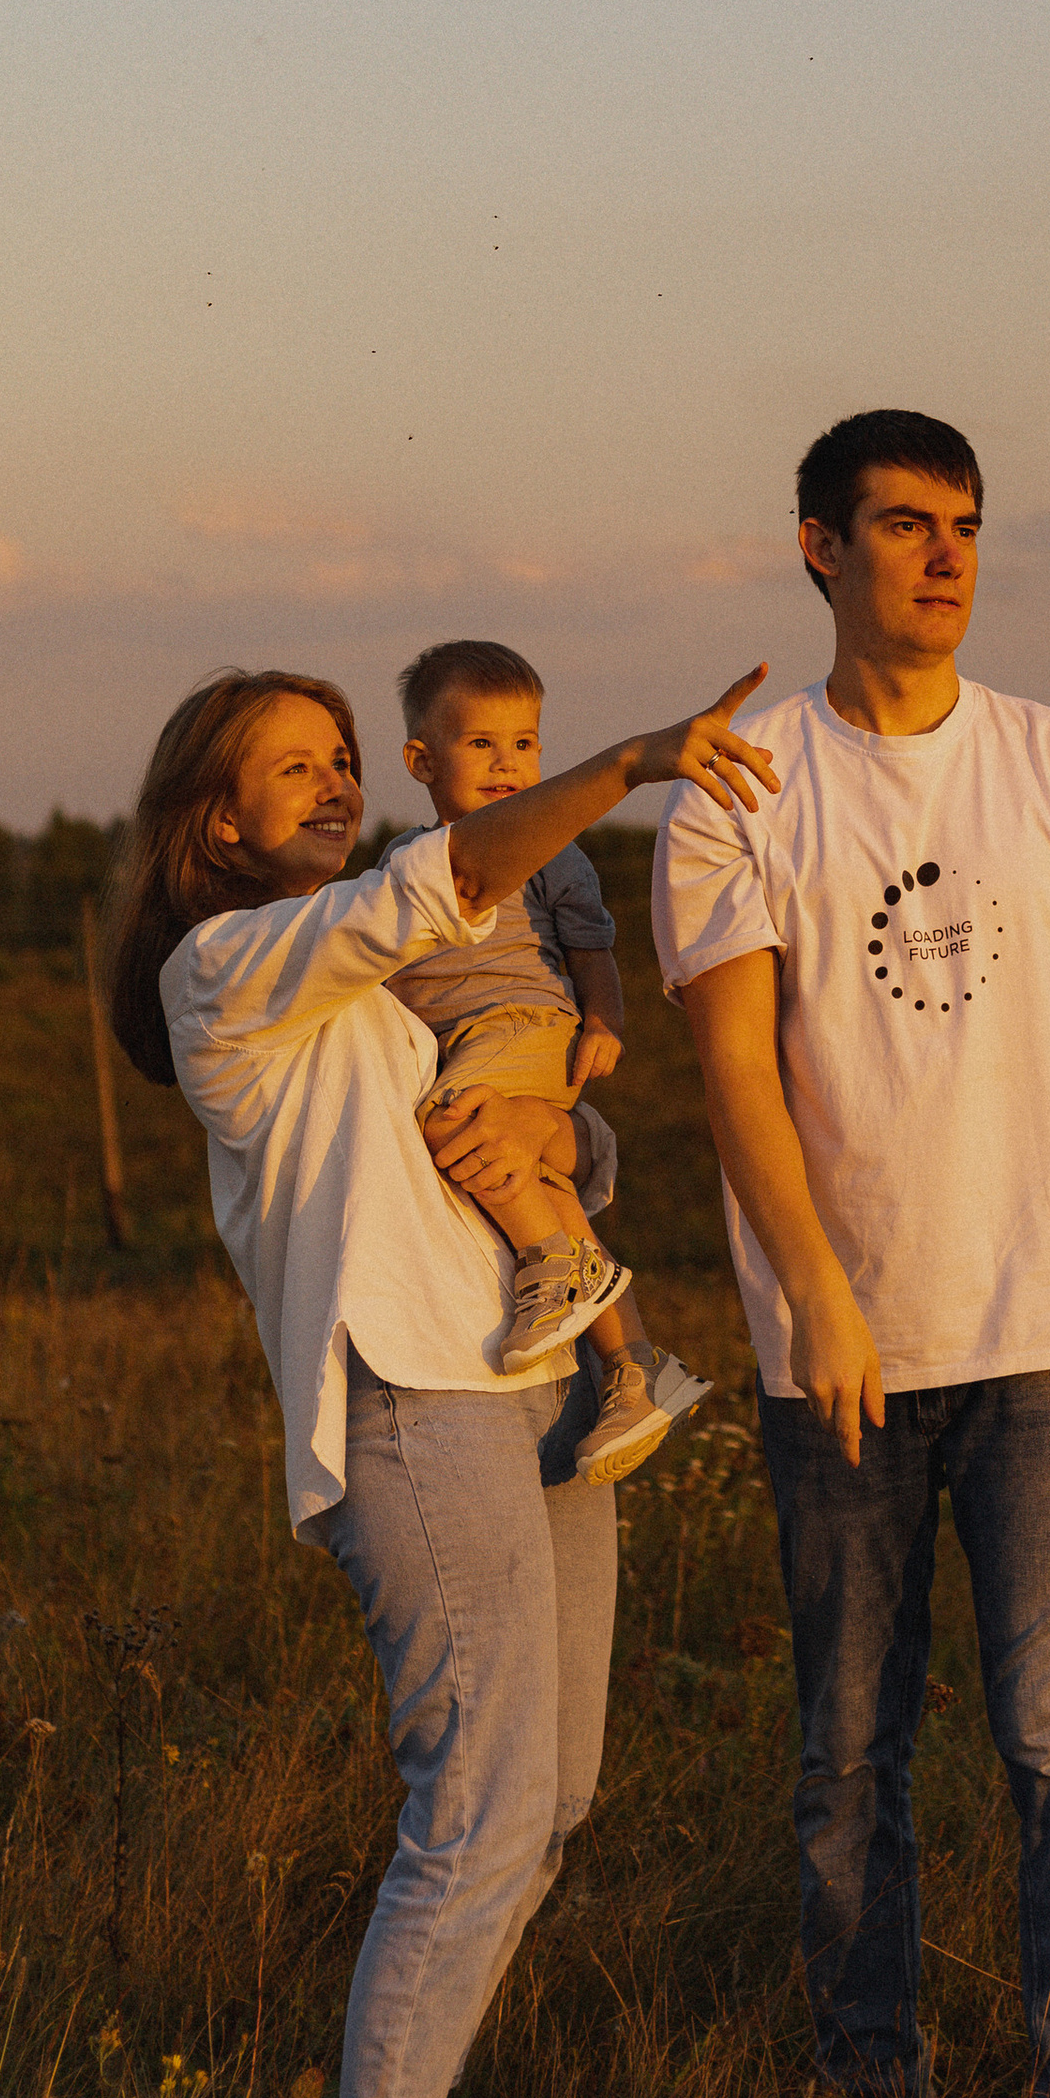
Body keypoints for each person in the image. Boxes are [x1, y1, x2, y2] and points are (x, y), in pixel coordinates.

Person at [104, 654, 775, 2098]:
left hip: (531, 1388)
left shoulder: (385, 990)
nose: (337, 784)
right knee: (475, 1806)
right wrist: (625, 762)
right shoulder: (229, 969)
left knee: (550, 1799)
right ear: (213, 823)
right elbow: (437, 882)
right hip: (408, 1399)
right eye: (293, 770)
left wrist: (563, 1128)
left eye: (344, 759)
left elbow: (530, 1141)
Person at [651, 409, 1050, 2098]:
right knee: (846, 1758)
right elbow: (735, 1072)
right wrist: (816, 1294)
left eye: (966, 523)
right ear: (819, 546)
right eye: (905, 525)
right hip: (842, 1357)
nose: (947, 555)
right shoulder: (741, 783)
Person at [387, 635, 708, 1486]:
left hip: (527, 1023)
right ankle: (634, 1372)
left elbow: (594, 950)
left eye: (525, 744)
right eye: (481, 743)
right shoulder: (401, 866)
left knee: (458, 1127)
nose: (508, 764)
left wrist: (604, 1021)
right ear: (421, 760)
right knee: (541, 1178)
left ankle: (559, 1268)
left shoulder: (552, 851)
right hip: (470, 1042)